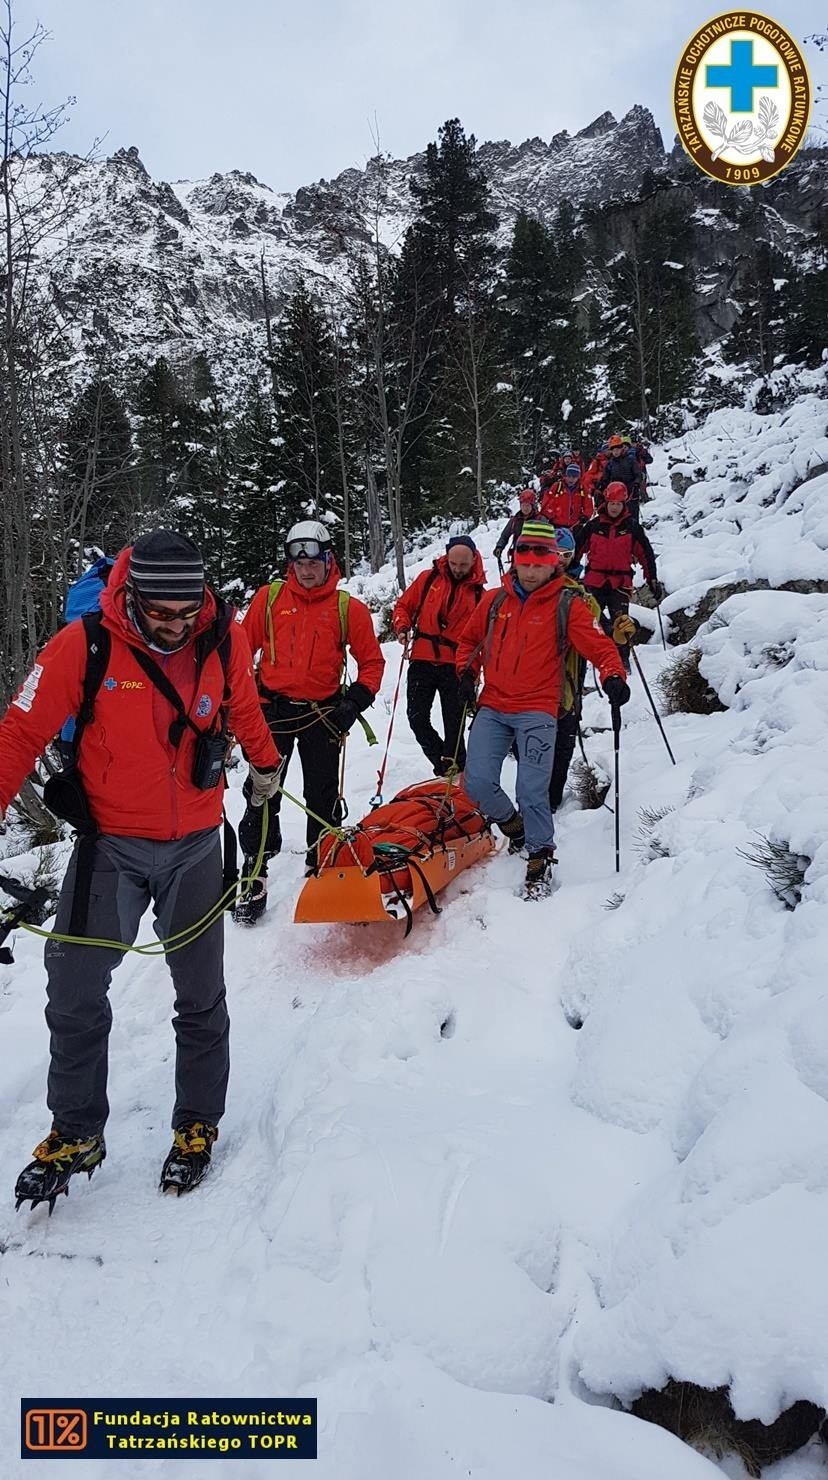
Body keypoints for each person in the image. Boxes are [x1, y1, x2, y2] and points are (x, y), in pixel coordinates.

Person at [0, 531, 282, 1208]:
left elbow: (242, 704)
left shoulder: (223, 637)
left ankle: (196, 1124)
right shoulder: (86, 644)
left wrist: (266, 765)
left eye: (187, 613)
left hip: (193, 845)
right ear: (132, 597)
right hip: (112, 846)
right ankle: (75, 1131)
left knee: (201, 993)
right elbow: (20, 733)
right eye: (162, 614)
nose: (176, 626)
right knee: (72, 986)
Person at [455, 520, 629, 898]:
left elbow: (599, 647)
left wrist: (614, 674)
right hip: (494, 706)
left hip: (538, 709)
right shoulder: (495, 600)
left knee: (533, 791)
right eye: (525, 563)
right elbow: (469, 640)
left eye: (539, 564)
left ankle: (540, 853)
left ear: (554, 564)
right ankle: (511, 825)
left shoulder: (569, 604)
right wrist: (466, 672)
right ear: (515, 561)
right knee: (476, 783)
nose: (531, 571)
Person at [235, 519, 385, 922]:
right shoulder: (268, 599)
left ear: (327, 560)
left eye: (313, 561)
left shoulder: (346, 608)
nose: (305, 569)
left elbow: (371, 662)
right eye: (298, 561)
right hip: (273, 712)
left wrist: (356, 701)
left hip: (323, 714)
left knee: (321, 794)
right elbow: (238, 651)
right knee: (263, 791)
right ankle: (255, 868)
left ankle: (324, 863)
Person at [392, 536, 486, 776]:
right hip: (422, 659)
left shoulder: (480, 595)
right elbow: (403, 606)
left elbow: (482, 642)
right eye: (453, 564)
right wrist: (402, 627)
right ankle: (444, 767)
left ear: (473, 560)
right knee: (417, 719)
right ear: (446, 558)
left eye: (463, 565)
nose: (457, 569)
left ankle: (460, 777)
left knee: (455, 728)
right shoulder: (428, 579)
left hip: (456, 667)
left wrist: (471, 674)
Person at [574, 484, 661, 671]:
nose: (614, 507)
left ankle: (622, 660)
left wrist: (651, 578)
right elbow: (577, 550)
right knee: (590, 619)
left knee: (621, 622)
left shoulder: (632, 528)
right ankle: (589, 656)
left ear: (624, 504)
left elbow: (646, 554)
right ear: (606, 503)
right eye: (611, 503)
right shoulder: (594, 526)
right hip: (595, 580)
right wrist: (569, 574)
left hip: (620, 583)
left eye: (618, 504)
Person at [547, 527, 601, 813]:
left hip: (572, 667)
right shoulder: (539, 585)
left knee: (565, 732)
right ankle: (538, 793)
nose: (561, 560)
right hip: (542, 671)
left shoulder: (581, 589)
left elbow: (593, 626)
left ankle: (552, 797)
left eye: (566, 554)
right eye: (556, 554)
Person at [598, 434, 644, 516]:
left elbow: (638, 474)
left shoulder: (630, 460)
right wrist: (601, 484)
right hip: (616, 493)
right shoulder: (610, 463)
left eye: (617, 449)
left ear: (621, 448)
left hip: (631, 491)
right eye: (613, 450)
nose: (615, 452)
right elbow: (606, 477)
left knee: (632, 515)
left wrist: (636, 484)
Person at [539, 464, 595, 532]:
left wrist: (585, 516)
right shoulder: (557, 487)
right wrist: (547, 515)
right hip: (556, 525)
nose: (571, 479)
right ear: (565, 476)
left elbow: (589, 506)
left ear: (578, 477)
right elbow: (547, 502)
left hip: (574, 526)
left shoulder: (583, 489)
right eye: (569, 476)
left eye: (574, 477)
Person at [493, 489, 538, 568]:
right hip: (517, 556)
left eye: (528, 505)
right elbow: (505, 536)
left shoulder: (540, 520)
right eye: (523, 505)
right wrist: (499, 547)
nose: (525, 508)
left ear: (533, 505)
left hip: (535, 557)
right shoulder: (515, 520)